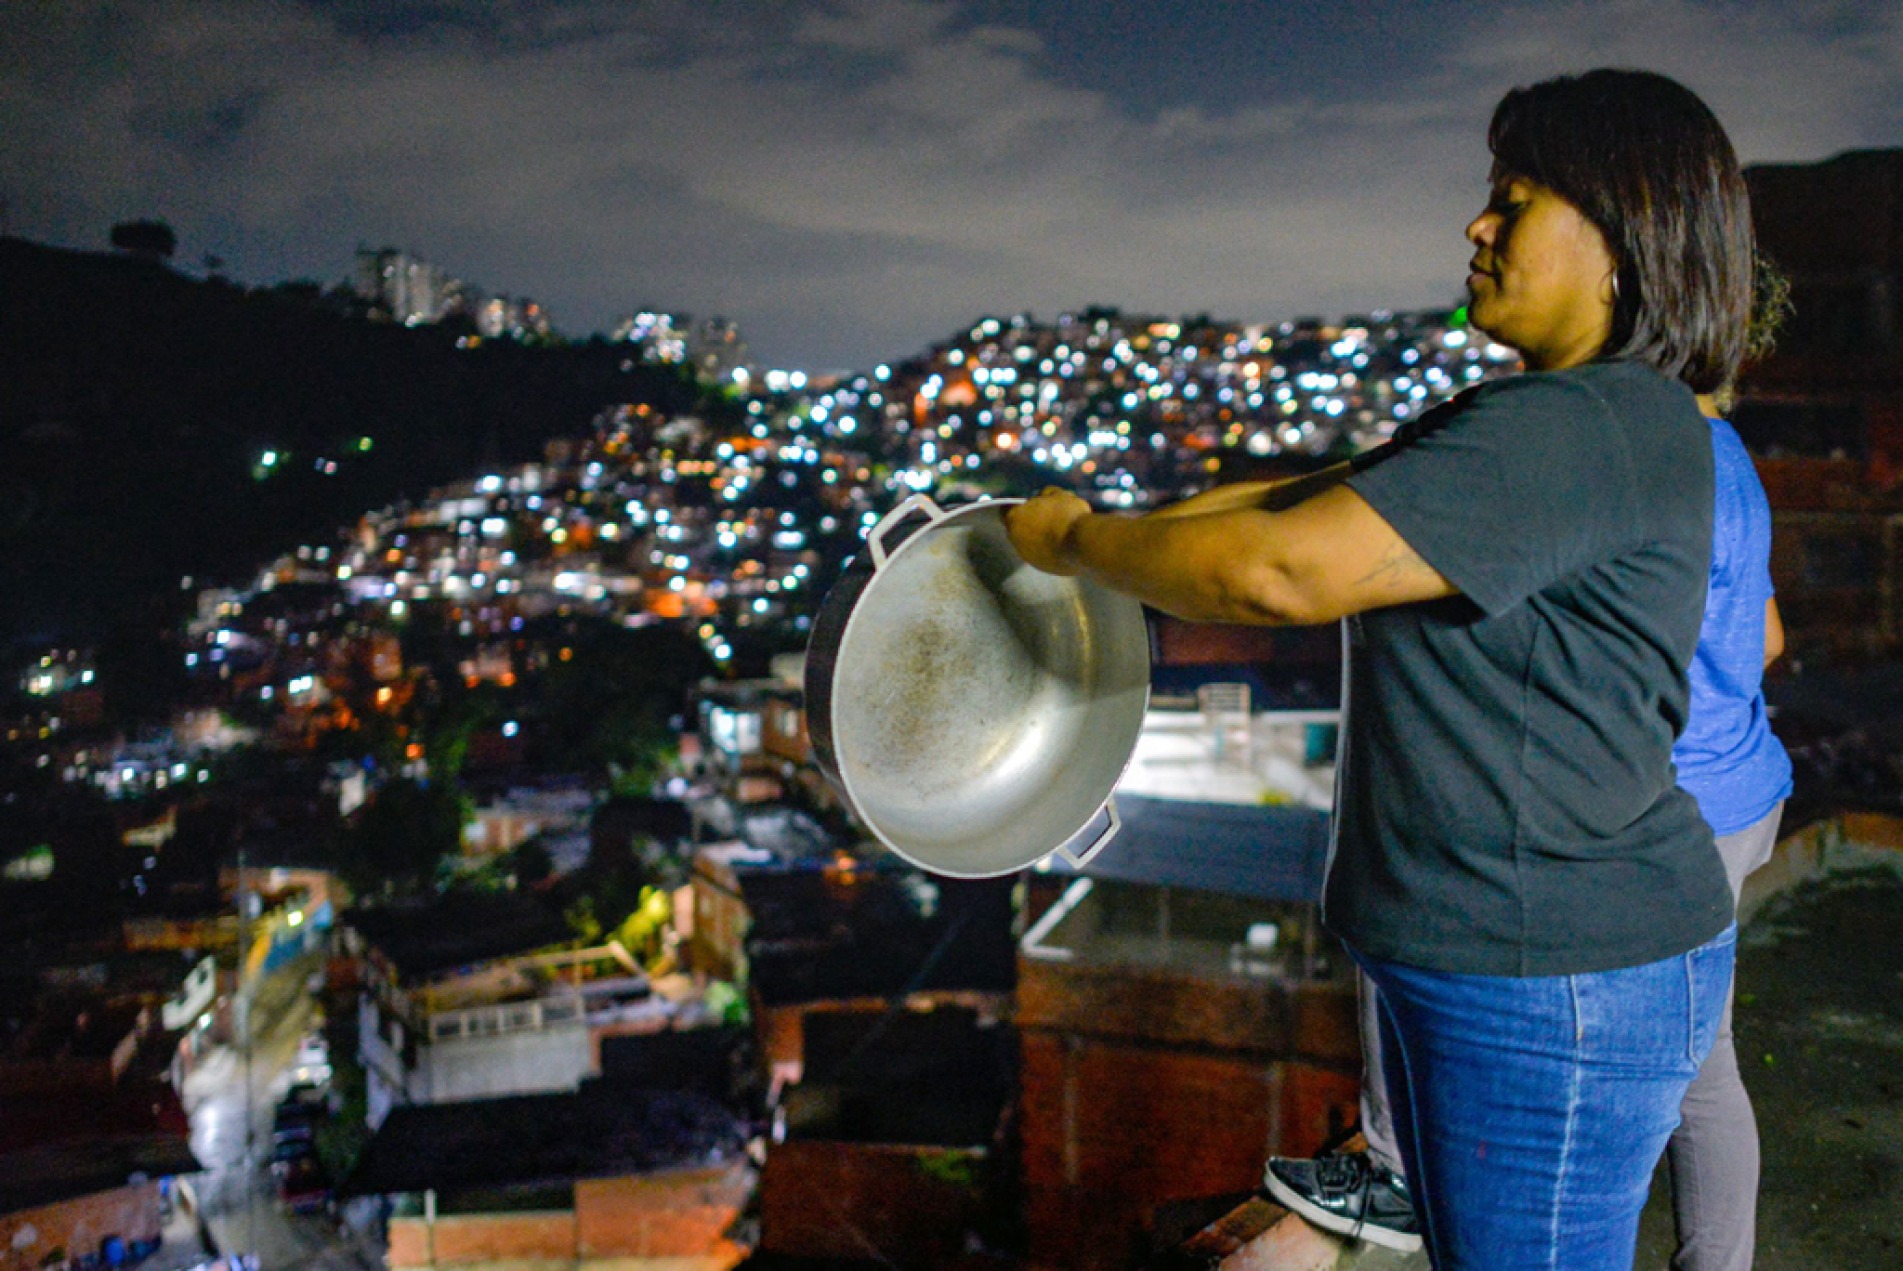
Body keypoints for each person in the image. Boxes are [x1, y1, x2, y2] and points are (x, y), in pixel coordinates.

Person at [1005, 69, 1755, 1268]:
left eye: (1516, 202)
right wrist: (1113, 533)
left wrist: (1075, 546)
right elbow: (1280, 503)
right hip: (1512, 964)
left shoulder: (1574, 430)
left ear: (1625, 238)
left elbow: (1278, 572)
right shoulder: (1543, 420)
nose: (1476, 226)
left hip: (1551, 979)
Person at [1264, 399, 1793, 1270]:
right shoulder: (1722, 452)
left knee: (1682, 1065)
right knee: (1703, 1061)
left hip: (1667, 801)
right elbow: (1763, 637)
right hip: (1742, 785)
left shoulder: (1625, 459)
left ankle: (1392, 1173)